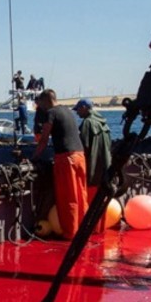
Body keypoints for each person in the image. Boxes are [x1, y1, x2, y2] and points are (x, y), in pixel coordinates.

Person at [32, 89, 88, 239]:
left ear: (46, 100)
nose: (41, 106)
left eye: (41, 103)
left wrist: (34, 157)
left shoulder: (51, 113)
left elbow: (44, 139)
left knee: (68, 196)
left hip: (66, 158)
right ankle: (85, 228)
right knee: (81, 194)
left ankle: (71, 233)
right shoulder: (67, 110)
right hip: (80, 156)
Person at [72, 98, 112, 221]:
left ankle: (91, 228)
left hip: (93, 170)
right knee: (101, 202)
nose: (77, 113)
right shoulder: (103, 122)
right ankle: (100, 228)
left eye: (78, 109)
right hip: (106, 167)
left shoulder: (87, 123)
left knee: (91, 200)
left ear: (84, 107)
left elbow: (83, 146)